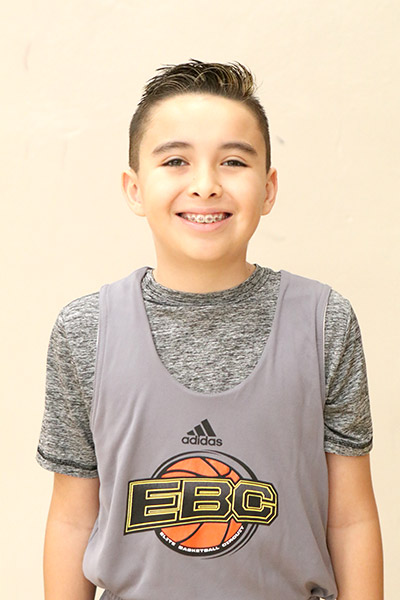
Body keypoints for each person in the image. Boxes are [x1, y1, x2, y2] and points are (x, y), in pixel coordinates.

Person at [36, 59, 383, 600]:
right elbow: (72, 519)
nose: (205, 186)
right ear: (134, 188)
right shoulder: (86, 330)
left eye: (234, 162)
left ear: (268, 189)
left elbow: (351, 519)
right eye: (176, 161)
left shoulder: (324, 322)